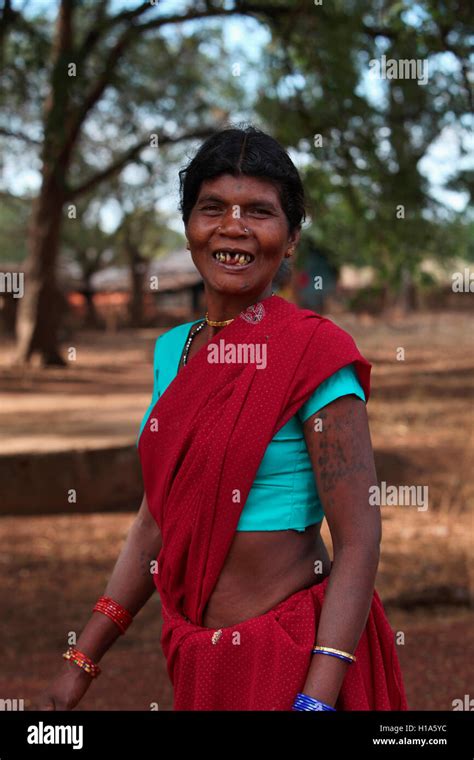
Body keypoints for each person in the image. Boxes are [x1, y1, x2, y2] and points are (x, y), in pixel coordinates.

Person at [38, 126, 408, 711]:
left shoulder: (314, 355)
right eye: (213, 208)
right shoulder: (170, 353)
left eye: (259, 211)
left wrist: (317, 697)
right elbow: (155, 523)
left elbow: (360, 539)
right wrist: (82, 661)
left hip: (291, 655)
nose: (233, 228)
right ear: (189, 229)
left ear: (290, 240)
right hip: (198, 656)